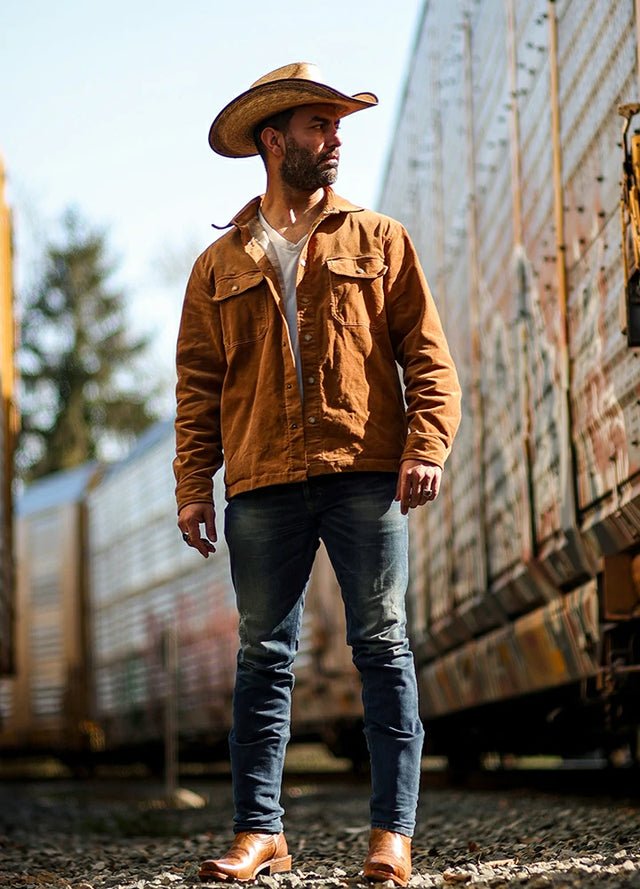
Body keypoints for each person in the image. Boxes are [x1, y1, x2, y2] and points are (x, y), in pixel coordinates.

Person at [174, 62, 461, 886]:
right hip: (261, 480)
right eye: (319, 127)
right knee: (263, 656)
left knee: (383, 646)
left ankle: (392, 836)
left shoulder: (380, 240)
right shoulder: (218, 264)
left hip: (364, 470)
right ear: (275, 141)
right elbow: (197, 386)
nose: (335, 140)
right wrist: (194, 485)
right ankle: (259, 832)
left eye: (338, 127)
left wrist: (426, 445)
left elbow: (428, 358)